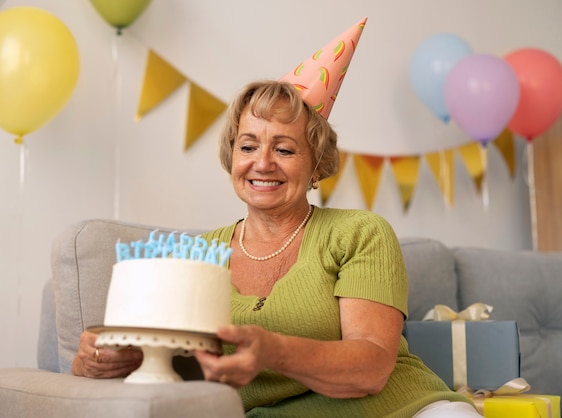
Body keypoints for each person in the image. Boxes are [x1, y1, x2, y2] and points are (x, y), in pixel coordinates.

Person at [73, 20, 483, 418]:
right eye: (248, 146)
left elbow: (372, 368)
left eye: (285, 150)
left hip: (405, 409)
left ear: (317, 166)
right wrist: (102, 360)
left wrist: (274, 351)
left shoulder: (360, 233)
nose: (262, 163)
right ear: (232, 157)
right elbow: (167, 358)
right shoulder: (196, 257)